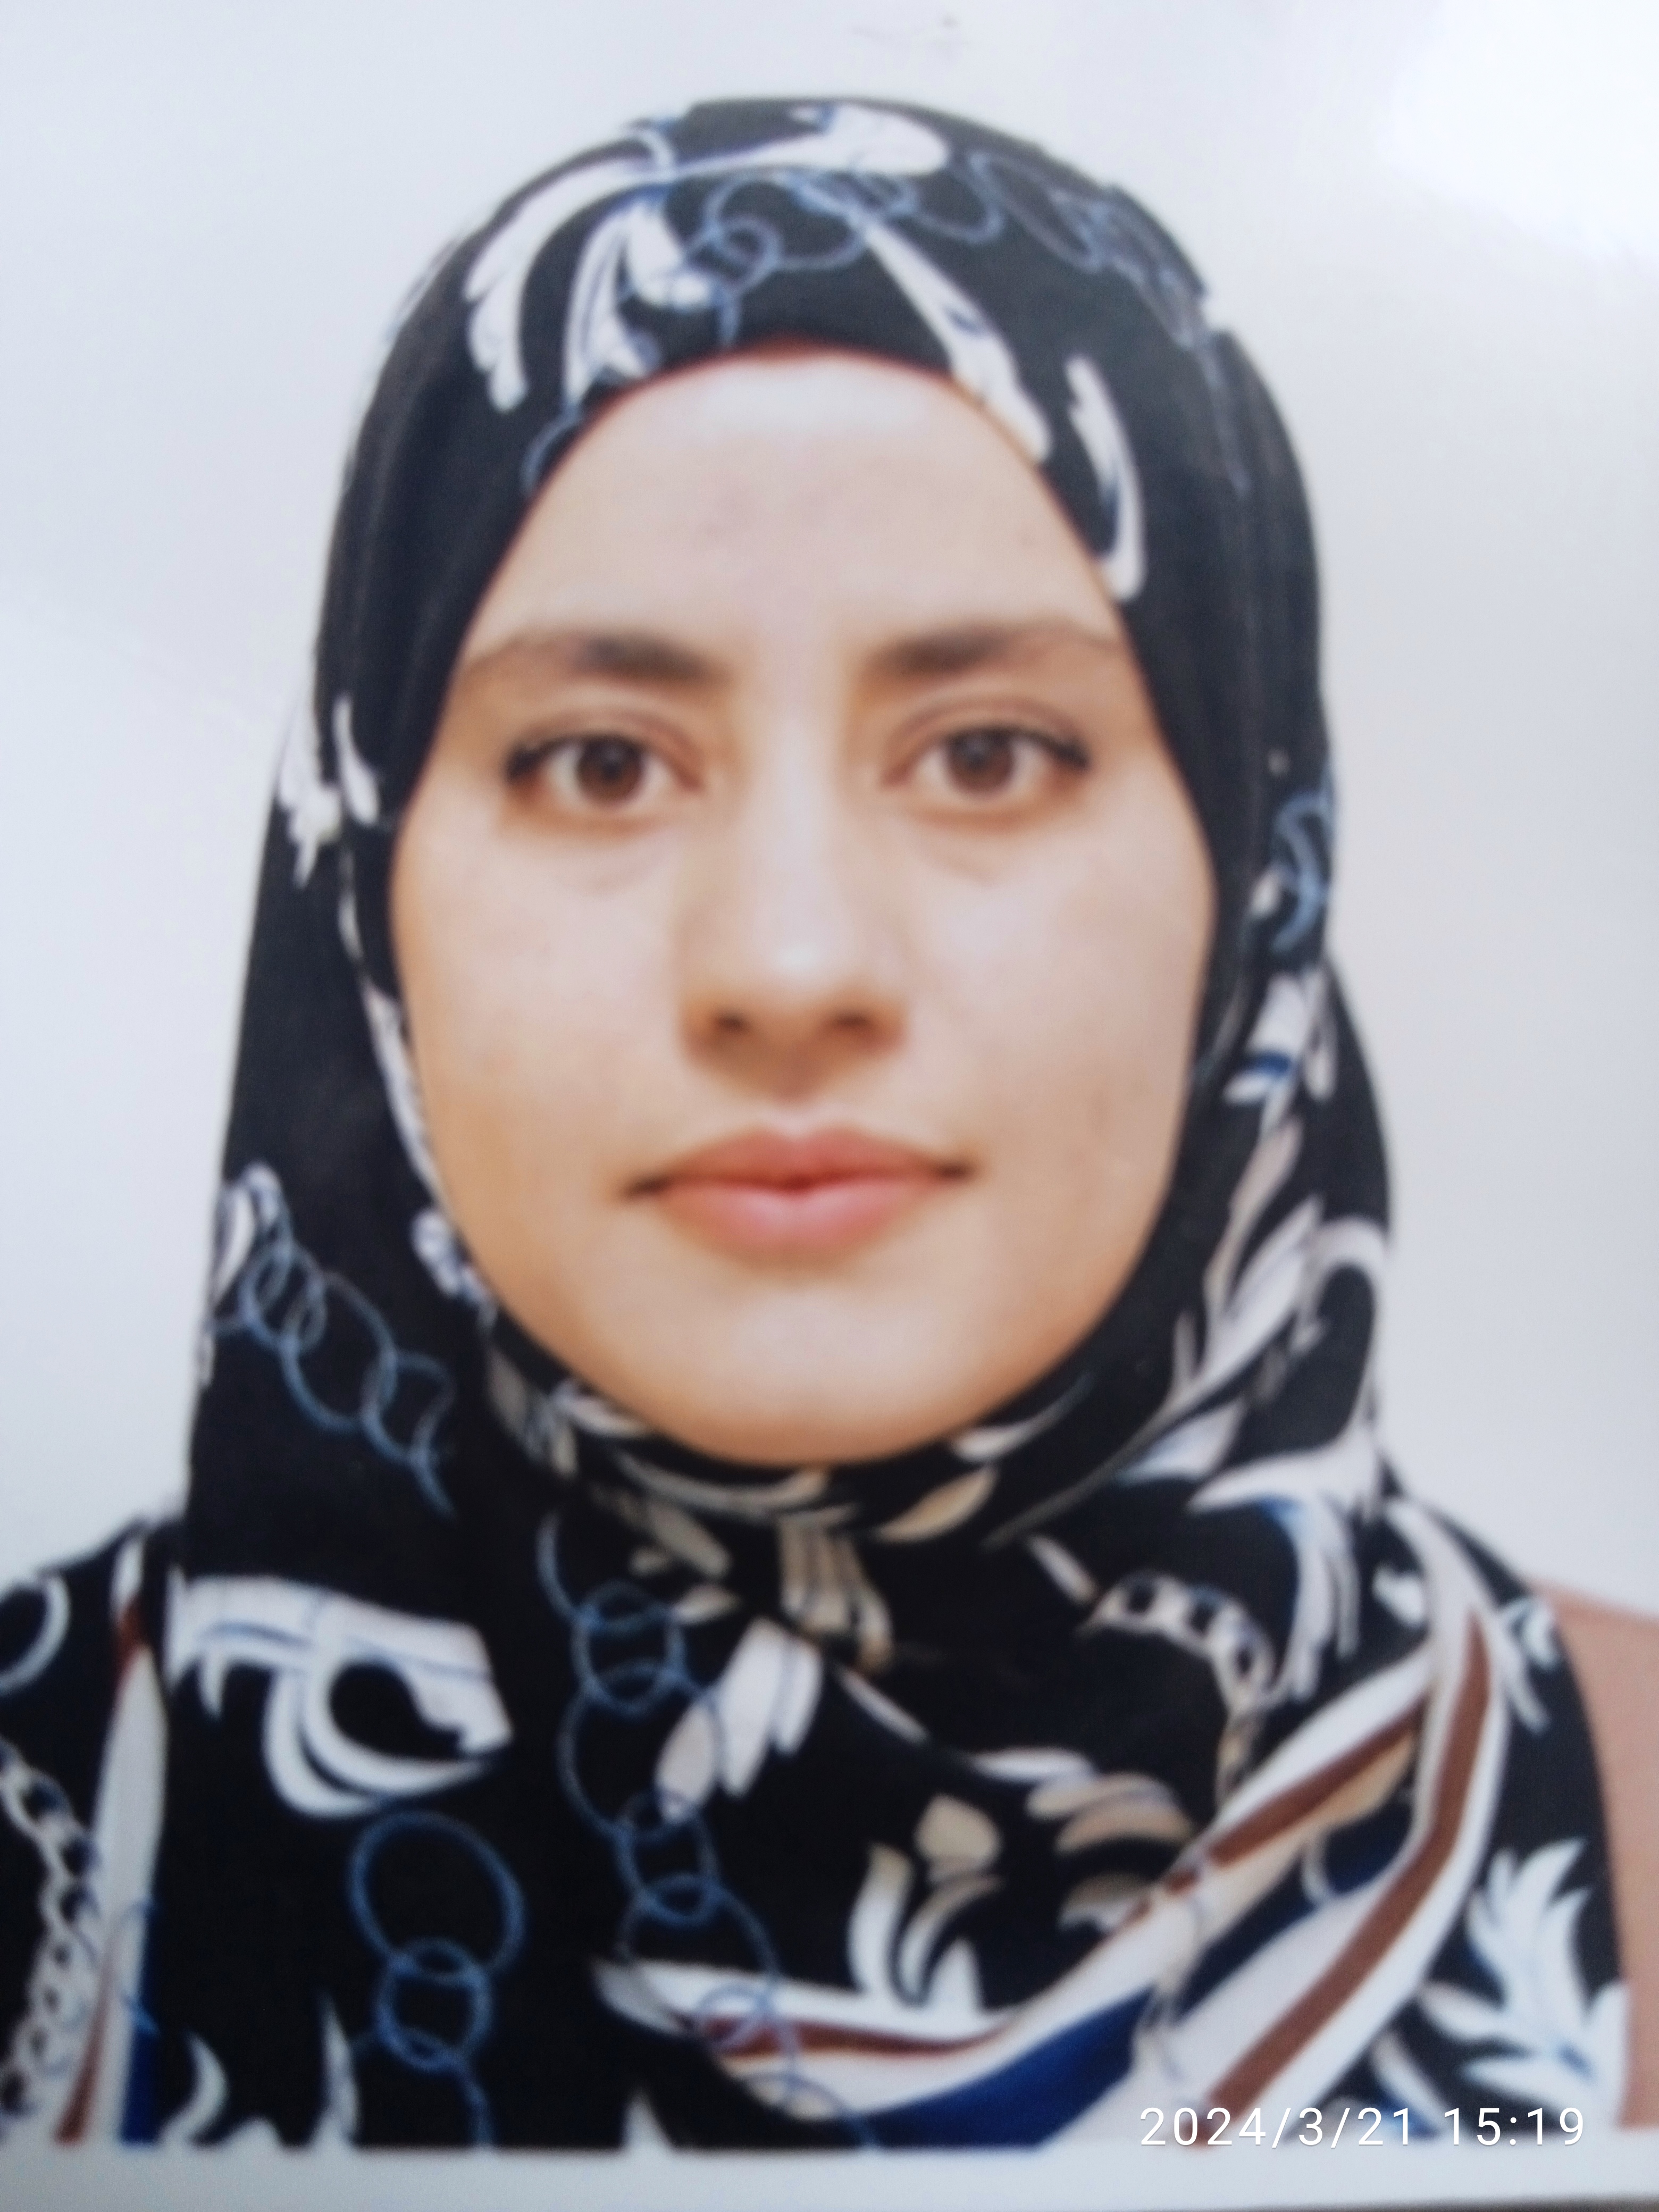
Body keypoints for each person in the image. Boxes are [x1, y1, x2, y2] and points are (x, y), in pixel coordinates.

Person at [0, 97, 1641, 2150]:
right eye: (601, 763)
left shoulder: (1641, 1825)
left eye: (988, 753)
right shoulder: (49, 1819)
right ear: (367, 873)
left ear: (1252, 875)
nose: (788, 965)